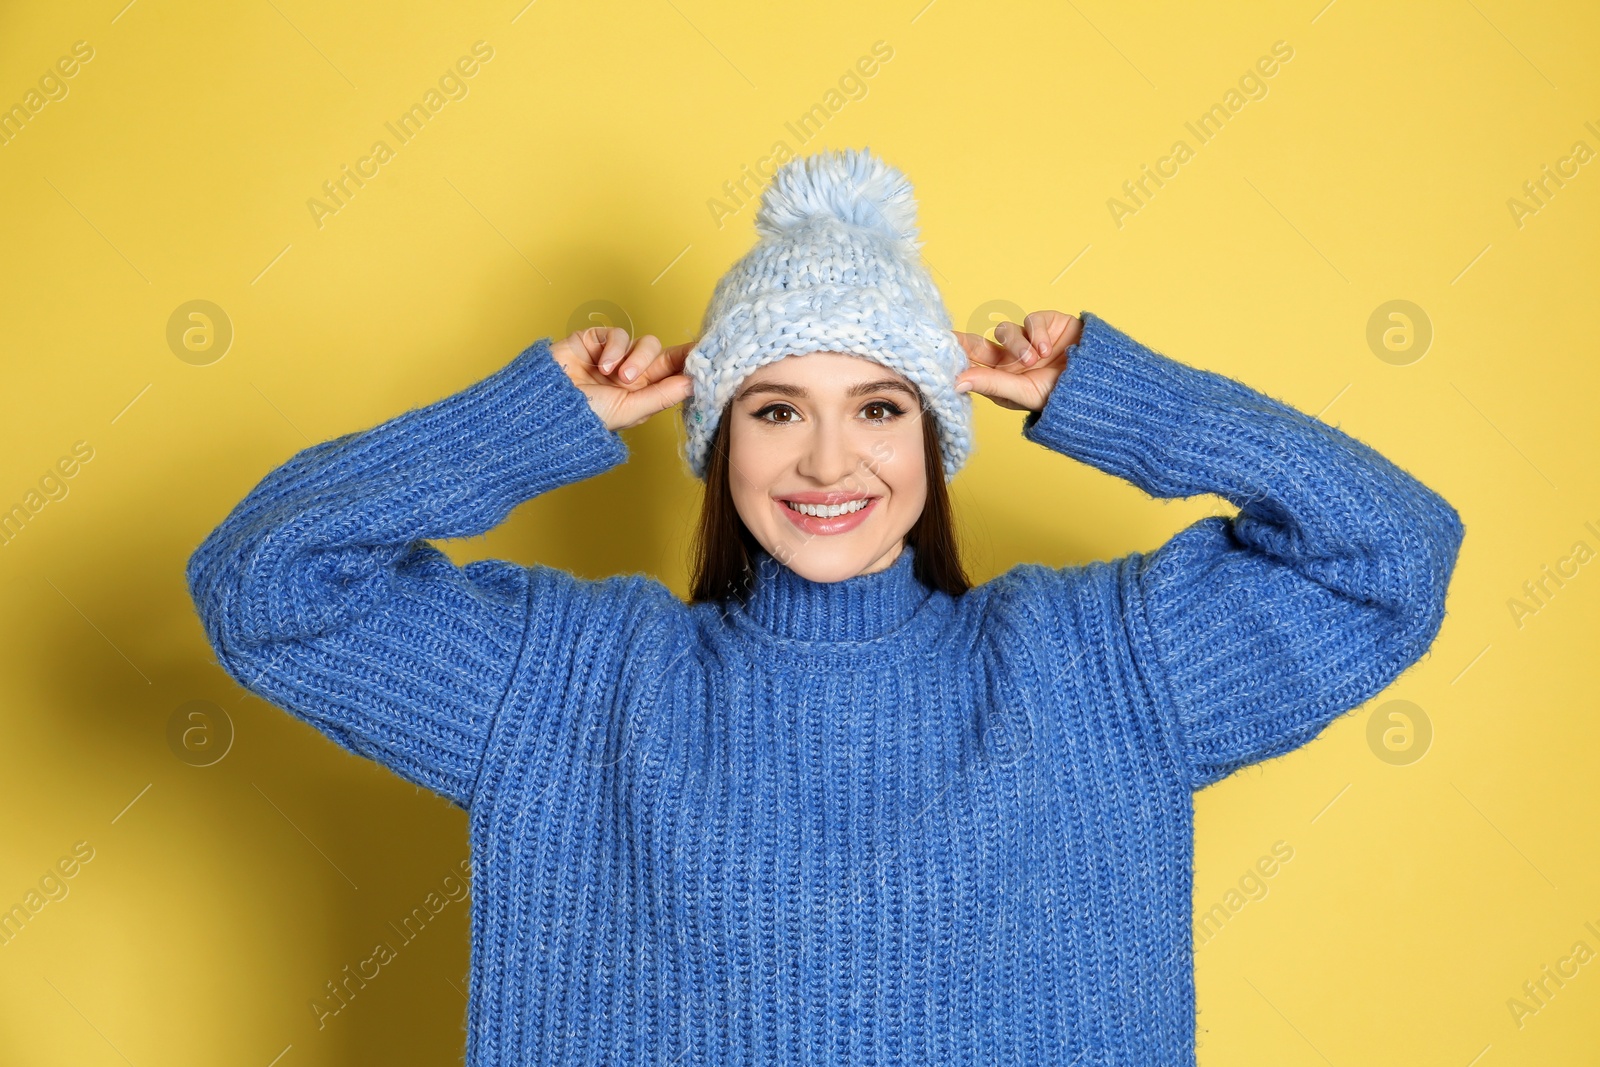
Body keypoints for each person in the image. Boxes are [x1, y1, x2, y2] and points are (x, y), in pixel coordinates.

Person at [186, 147, 1465, 1065]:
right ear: (716, 435)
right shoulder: (570, 680)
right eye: (777, 407)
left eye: (880, 407)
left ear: (935, 437)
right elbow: (267, 584)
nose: (827, 463)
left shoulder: (1096, 667)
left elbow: (1390, 556)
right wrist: (533, 421)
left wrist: (1122, 398)